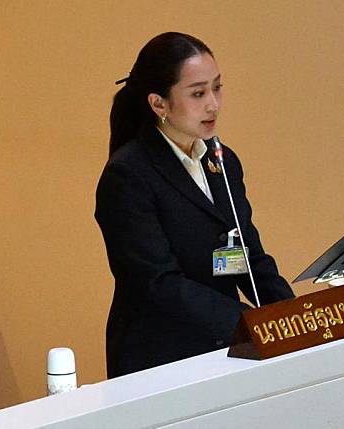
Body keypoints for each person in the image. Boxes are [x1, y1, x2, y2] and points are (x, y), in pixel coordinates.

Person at [95, 32, 295, 378]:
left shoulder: (222, 161)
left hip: (223, 346)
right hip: (160, 357)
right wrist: (249, 323)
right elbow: (159, 282)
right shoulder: (128, 175)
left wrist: (293, 316)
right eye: (198, 93)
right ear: (159, 104)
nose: (213, 104)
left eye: (217, 88)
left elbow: (245, 254)